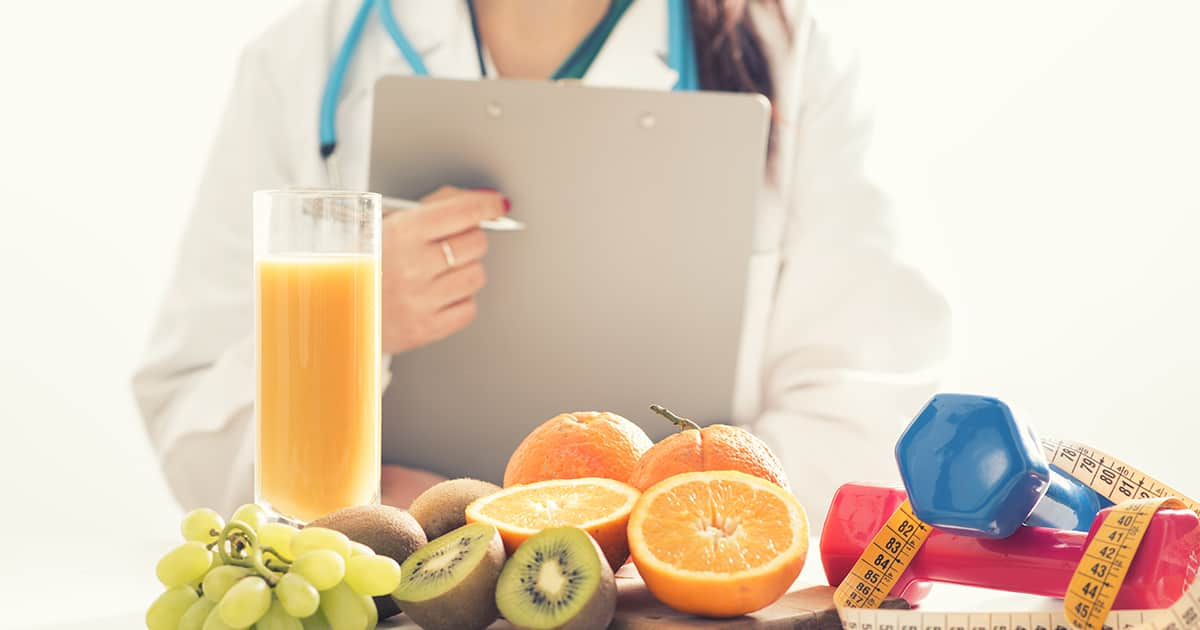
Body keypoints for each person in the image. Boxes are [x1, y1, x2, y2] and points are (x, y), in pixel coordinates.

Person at [133, 0, 952, 521]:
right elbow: (191, 429)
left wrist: (603, 520)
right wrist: (348, 329)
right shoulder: (300, 60)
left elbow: (864, 419)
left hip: (671, 604)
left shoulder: (796, 52)